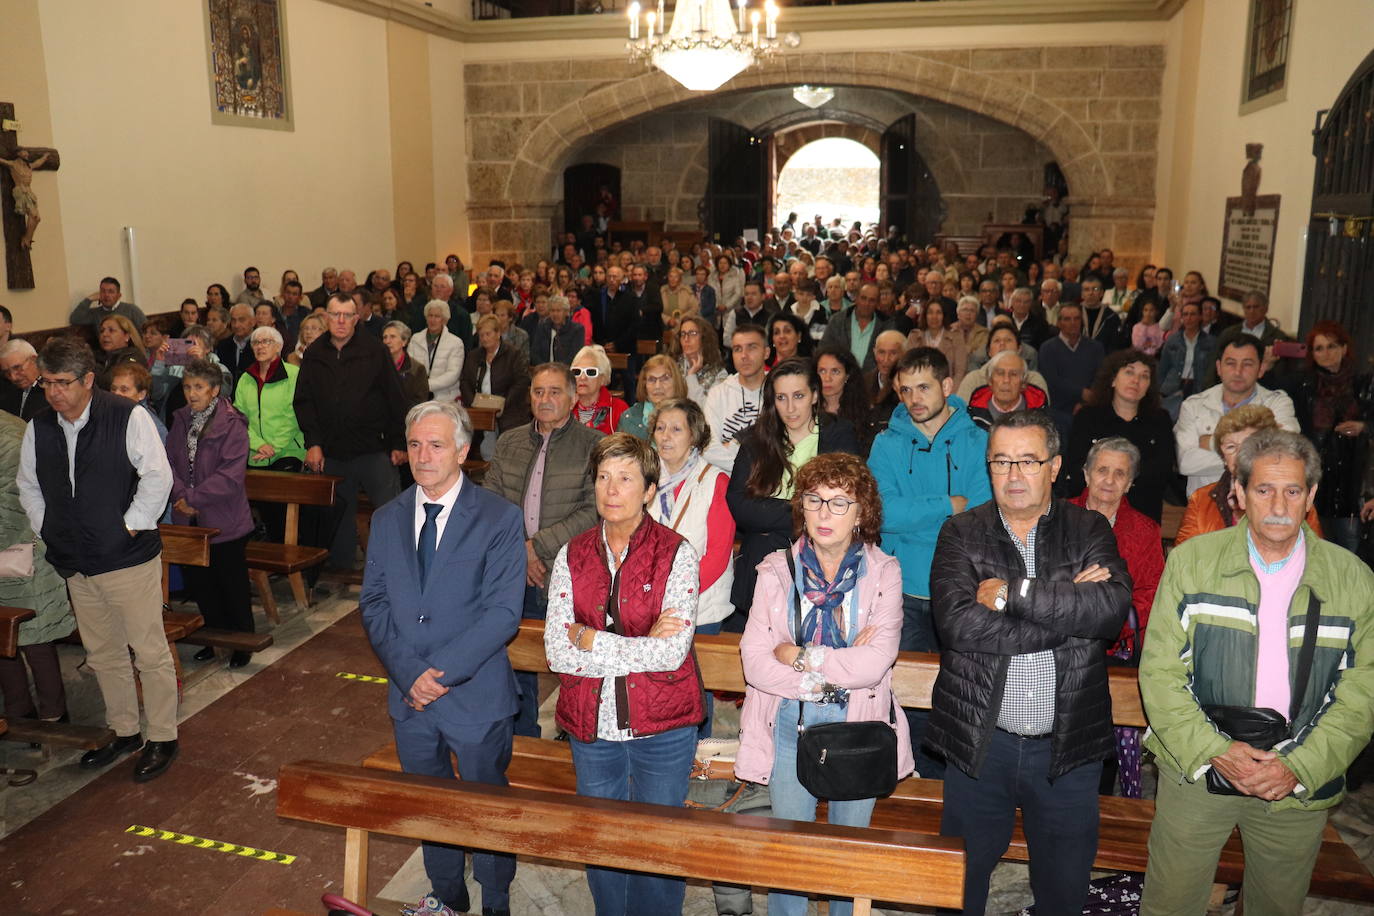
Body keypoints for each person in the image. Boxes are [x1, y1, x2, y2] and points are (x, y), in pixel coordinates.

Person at [1138, 429, 1374, 916]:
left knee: (1275, 907)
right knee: (1170, 903)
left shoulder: (1352, 578)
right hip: (1198, 770)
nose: (1279, 504)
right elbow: (1160, 673)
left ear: (1310, 496)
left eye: (1293, 491)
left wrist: (1300, 766)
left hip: (1296, 779)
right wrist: (1215, 751)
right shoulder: (1192, 563)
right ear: (1239, 493)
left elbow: (1363, 692)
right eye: (1264, 489)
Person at [929, 410, 1131, 916]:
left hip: (1067, 748)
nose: (1014, 475)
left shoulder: (1088, 528)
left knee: (1063, 895)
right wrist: (1067, 609)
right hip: (980, 741)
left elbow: (1109, 612)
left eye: (1028, 461)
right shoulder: (961, 532)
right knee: (957, 890)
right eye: (1001, 461)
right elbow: (959, 627)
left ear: (1056, 466)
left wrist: (1013, 595)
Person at [361, 400, 524, 916]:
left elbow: (502, 614)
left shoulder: (498, 517)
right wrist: (411, 675)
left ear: (462, 449)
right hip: (409, 697)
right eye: (414, 444)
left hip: (474, 694)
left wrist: (442, 675)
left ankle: (496, 898)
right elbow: (375, 602)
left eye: (435, 444)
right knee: (428, 807)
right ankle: (448, 896)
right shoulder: (388, 517)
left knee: (485, 806)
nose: (422, 455)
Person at [735, 452, 913, 916]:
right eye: (814, 500)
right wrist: (832, 670)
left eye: (840, 503)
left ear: (862, 513)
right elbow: (755, 665)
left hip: (858, 725)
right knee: (790, 859)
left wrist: (798, 656)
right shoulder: (776, 569)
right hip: (790, 722)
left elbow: (873, 665)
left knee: (846, 858)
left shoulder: (884, 573)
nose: (824, 514)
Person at [544, 433, 702, 915]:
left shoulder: (677, 554)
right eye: (604, 477)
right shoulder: (570, 556)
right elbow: (556, 652)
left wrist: (590, 639)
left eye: (626, 478)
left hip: (662, 725)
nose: (612, 490)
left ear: (650, 489)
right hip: (591, 725)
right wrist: (639, 644)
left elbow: (671, 653)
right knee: (602, 839)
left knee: (658, 843)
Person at [17, 338, 177, 782]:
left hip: (127, 558)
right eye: (47, 382)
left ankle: (162, 736)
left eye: (62, 383)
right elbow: (28, 484)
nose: (54, 392)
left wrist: (130, 524)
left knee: (148, 651)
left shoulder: (127, 416)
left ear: (88, 380)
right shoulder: (40, 426)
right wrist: (48, 527)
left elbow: (158, 475)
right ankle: (124, 730)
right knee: (102, 652)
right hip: (75, 559)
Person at [869, 347, 991, 778]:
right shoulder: (886, 443)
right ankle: (912, 779)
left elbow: (978, 513)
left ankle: (953, 782)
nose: (913, 397)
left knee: (959, 694)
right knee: (904, 693)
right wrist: (945, 504)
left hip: (960, 588)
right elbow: (880, 513)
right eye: (905, 389)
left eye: (923, 387)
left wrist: (917, 516)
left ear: (947, 386)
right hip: (902, 587)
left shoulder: (978, 440)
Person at [483, 363, 602, 737]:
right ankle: (523, 738)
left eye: (554, 392)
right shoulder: (510, 441)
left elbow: (594, 510)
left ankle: (575, 734)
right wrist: (521, 550)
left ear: (573, 396)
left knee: (572, 660)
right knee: (517, 659)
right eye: (538, 392)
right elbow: (491, 500)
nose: (544, 399)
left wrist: (538, 547)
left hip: (568, 572)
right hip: (513, 571)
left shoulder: (593, 445)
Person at [1068, 437, 1164, 798]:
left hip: (1117, 649)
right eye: (1102, 470)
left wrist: (1108, 622)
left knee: (1106, 745)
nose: (1109, 480)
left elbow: (1150, 594)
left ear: (1130, 482)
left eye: (1119, 473)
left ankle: (1104, 808)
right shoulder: (1055, 516)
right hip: (1061, 646)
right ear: (1086, 473)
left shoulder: (1144, 530)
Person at [727, 359, 860, 615]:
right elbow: (740, 505)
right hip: (761, 562)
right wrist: (807, 510)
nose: (790, 408)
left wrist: (770, 512)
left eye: (798, 396)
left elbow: (842, 504)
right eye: (781, 398)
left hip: (822, 563)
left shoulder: (838, 434)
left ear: (815, 395)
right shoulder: (757, 440)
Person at [294, 293, 409, 570]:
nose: (341, 321)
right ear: (327, 318)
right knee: (339, 516)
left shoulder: (374, 350)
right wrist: (314, 443)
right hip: (332, 449)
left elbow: (395, 397)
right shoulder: (314, 353)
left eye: (347, 315)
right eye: (335, 315)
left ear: (357, 318)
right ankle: (342, 569)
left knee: (390, 510)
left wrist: (398, 443)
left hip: (373, 447)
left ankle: (399, 566)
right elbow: (304, 402)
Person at [167, 359, 256, 669]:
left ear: (215, 390)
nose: (192, 394)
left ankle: (241, 642)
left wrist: (192, 497)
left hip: (223, 518)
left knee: (230, 584)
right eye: (187, 387)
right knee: (201, 584)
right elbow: (170, 463)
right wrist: (180, 495)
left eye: (199, 387)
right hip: (187, 516)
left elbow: (230, 476)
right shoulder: (180, 420)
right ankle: (214, 638)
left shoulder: (232, 424)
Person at [0, 411, 74, 732]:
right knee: (3, 636)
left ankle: (53, 715)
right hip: (10, 552)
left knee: (34, 637)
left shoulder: (10, 438)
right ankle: (19, 711)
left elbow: (13, 504)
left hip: (23, 551)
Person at [647, 397, 735, 649]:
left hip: (701, 608)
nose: (665, 436)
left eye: (676, 429)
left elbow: (718, 555)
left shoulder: (714, 481)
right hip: (650, 601)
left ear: (694, 436)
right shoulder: (645, 476)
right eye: (660, 428)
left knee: (696, 686)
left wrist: (676, 595)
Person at [1173, 405, 1321, 546]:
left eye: (1248, 445)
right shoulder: (1201, 499)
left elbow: (1315, 558)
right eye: (1231, 447)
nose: (1239, 455)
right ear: (1223, 457)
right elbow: (1184, 560)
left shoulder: (1295, 497)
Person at [1058, 349, 1176, 523]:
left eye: (1144, 376)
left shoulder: (1160, 420)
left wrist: (1116, 484)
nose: (1136, 381)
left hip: (1143, 514)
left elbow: (1161, 473)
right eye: (1129, 372)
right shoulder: (1087, 417)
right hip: (1090, 514)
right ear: (1113, 379)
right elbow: (1077, 469)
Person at [1284, 321, 1372, 552]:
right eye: (1319, 348)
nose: (1326, 353)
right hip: (1314, 474)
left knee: (1350, 551)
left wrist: (1364, 427)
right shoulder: (1302, 384)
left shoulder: (1362, 384)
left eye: (1332, 346)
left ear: (1344, 348)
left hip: (1352, 478)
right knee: (1314, 548)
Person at [1175, 336, 1299, 495]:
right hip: (1205, 507)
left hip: (1259, 506)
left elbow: (1284, 451)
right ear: (1219, 368)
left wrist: (1213, 443)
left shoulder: (1278, 403)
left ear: (1261, 369)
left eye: (1247, 364)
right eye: (1230, 363)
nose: (1238, 371)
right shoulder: (1193, 406)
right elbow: (1187, 463)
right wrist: (1257, 449)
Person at [459, 314, 532, 460]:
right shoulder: (474, 356)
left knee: (509, 453)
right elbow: (465, 381)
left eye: (488, 334)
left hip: (509, 411)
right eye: (481, 335)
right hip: (480, 411)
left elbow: (522, 381)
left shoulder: (514, 354)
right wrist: (472, 402)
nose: (484, 338)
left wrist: (504, 403)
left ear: (498, 333)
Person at [234, 326, 305, 471]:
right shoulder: (245, 379)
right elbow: (238, 417)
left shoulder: (294, 375)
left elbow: (293, 417)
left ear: (279, 346)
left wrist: (273, 447)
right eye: (255, 343)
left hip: (288, 452)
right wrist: (258, 444)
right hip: (255, 453)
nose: (260, 346)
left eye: (266, 341)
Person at [1038, 303, 1105, 440]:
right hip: (1058, 409)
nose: (1073, 323)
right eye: (1067, 319)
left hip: (1089, 406)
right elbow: (1051, 380)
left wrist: (1085, 403)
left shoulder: (1095, 347)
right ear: (1058, 322)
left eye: (1077, 318)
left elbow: (1101, 377)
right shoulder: (1047, 348)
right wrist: (1081, 393)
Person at [958, 322, 1048, 401]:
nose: (1002, 344)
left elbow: (1043, 416)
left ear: (1019, 349)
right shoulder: (973, 379)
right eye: (997, 341)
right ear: (989, 351)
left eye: (1008, 340)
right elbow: (960, 414)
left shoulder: (1034, 380)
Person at [1157, 299, 1216, 418]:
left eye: (1193, 314)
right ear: (1182, 318)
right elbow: (1163, 368)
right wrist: (1157, 390)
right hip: (1173, 386)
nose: (1189, 318)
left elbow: (1212, 370)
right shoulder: (1173, 340)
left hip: (1198, 387)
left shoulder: (1211, 342)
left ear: (1200, 317)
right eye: (1185, 314)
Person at [820, 282, 890, 372]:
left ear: (877, 303)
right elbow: (824, 349)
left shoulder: (886, 325)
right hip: (841, 378)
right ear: (856, 298)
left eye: (872, 300)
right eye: (863, 298)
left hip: (871, 381)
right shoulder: (838, 321)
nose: (866, 304)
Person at [617, 354, 685, 441]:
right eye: (651, 380)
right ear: (644, 385)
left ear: (676, 382)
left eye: (664, 379)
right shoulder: (629, 418)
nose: (657, 386)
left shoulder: (688, 417)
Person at [408, 301, 464, 404]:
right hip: (419, 397)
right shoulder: (415, 339)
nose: (432, 320)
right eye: (430, 315)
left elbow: (453, 374)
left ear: (444, 319)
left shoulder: (456, 343)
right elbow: (410, 369)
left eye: (437, 316)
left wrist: (426, 384)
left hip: (446, 398)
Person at [668, 314, 727, 404]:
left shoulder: (719, 374)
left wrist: (691, 376)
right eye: (683, 334)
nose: (686, 339)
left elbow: (706, 409)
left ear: (704, 338)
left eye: (692, 333)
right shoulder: (671, 366)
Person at [571, 345, 628, 435]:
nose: (582, 377)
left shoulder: (619, 409)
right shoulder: (564, 407)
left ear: (603, 378)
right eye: (577, 371)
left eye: (591, 372)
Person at [383, 321, 431, 408]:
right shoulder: (377, 365)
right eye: (385, 337)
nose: (387, 341)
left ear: (404, 341)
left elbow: (420, 402)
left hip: (405, 417)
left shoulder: (417, 369)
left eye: (392, 337)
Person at [69, 277, 146, 329]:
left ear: (119, 296)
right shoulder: (95, 313)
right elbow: (75, 319)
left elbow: (146, 330)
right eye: (103, 291)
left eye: (111, 292)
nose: (106, 295)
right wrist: (89, 299)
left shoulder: (131, 310)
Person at [532, 294, 585, 366]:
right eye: (552, 311)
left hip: (566, 371)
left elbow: (575, 356)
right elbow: (534, 353)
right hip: (544, 370)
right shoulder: (542, 327)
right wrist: (545, 368)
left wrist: (557, 370)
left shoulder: (577, 330)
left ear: (566, 312)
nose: (555, 314)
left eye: (558, 310)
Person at [95, 314, 145, 390]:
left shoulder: (134, 356)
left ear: (126, 336)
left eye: (111, 330)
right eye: (102, 331)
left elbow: (111, 383)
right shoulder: (97, 356)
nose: (105, 334)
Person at [0, 339, 47, 420]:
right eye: (7, 373)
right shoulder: (8, 392)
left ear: (34, 360)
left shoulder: (52, 387)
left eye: (17, 368)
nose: (13, 377)